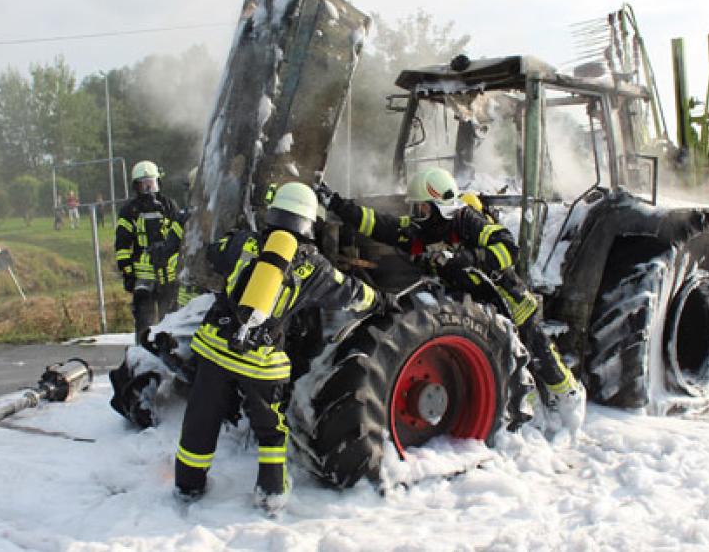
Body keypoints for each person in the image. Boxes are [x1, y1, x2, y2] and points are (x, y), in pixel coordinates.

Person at [174, 182, 393, 514]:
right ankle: (271, 493)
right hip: (261, 361)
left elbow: (213, 253)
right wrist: (378, 300)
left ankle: (188, 486)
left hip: (216, 348)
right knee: (271, 431)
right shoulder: (312, 264)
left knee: (201, 418)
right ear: (308, 220)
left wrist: (234, 241)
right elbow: (347, 291)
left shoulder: (246, 242)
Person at [318, 166, 586, 436]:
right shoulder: (421, 232)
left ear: (438, 205)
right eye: (416, 209)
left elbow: (507, 247)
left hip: (507, 301)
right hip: (472, 304)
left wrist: (468, 259)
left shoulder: (465, 220)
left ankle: (569, 401)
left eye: (422, 209)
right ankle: (524, 416)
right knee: (507, 362)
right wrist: (338, 204)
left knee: (537, 355)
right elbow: (380, 225)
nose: (416, 215)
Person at [115, 161, 184, 343]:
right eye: (143, 184)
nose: (148, 189)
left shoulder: (169, 205)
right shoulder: (130, 210)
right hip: (143, 276)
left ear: (158, 183)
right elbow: (122, 246)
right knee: (143, 320)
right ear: (135, 186)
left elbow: (179, 236)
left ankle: (170, 353)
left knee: (170, 319)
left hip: (167, 274)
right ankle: (142, 353)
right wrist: (128, 273)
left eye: (151, 183)